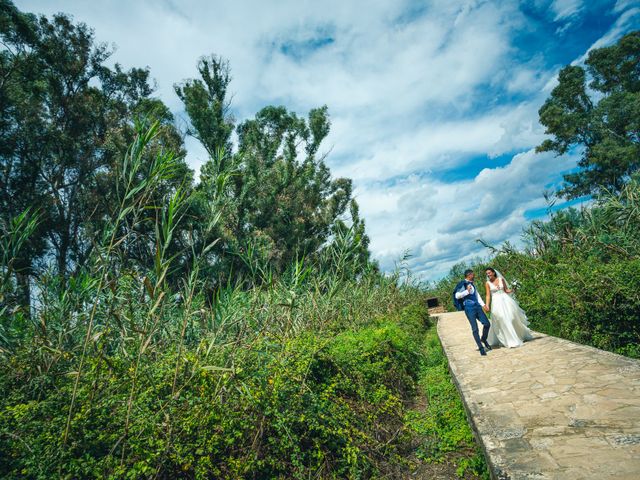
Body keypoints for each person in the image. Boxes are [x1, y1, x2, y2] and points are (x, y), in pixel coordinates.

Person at [484, 267, 533, 348]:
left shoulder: (500, 279)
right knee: (502, 318)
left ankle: (518, 335)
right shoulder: (487, 283)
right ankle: (510, 340)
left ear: (493, 272)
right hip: (496, 303)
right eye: (487, 274)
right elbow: (488, 295)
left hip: (506, 301)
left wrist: (514, 288)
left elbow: (506, 290)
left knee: (512, 317)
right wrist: (487, 305)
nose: (488, 275)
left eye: (489, 273)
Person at [454, 269, 492, 356]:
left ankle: (484, 339)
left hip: (477, 307)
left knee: (487, 324)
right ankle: (481, 348)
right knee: (475, 328)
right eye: (473, 274)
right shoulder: (462, 284)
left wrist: (483, 305)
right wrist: (466, 291)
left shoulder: (472, 284)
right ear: (469, 275)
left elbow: (477, 295)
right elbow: (457, 296)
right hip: (469, 308)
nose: (474, 276)